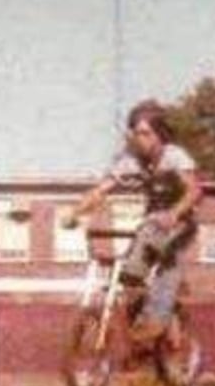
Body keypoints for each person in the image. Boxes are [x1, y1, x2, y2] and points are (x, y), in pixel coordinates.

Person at [64, 100, 202, 346]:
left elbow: (194, 191)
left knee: (167, 260)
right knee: (129, 274)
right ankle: (156, 317)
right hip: (152, 224)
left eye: (146, 133)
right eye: (136, 134)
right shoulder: (132, 161)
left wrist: (174, 213)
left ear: (160, 134)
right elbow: (100, 190)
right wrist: (75, 213)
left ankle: (158, 318)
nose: (140, 140)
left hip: (182, 222)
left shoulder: (174, 156)